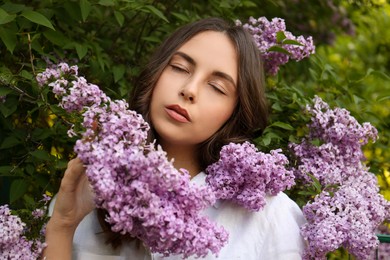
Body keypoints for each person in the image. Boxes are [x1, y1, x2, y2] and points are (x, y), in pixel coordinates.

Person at [43, 17, 306, 259]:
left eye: (217, 87)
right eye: (180, 68)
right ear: (156, 75)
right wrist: (63, 225)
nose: (189, 90)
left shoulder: (269, 215)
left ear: (235, 112)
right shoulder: (85, 194)